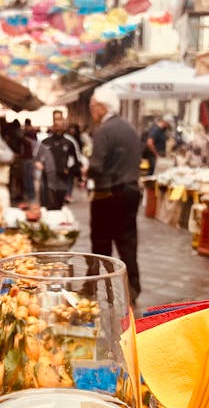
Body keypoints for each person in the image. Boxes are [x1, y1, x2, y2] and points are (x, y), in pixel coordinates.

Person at [87, 83, 143, 303]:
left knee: (101, 241)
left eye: (93, 106)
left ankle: (96, 287)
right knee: (127, 241)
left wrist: (87, 169)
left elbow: (96, 166)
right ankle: (133, 288)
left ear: (102, 107)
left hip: (108, 194)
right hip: (131, 191)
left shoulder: (104, 131)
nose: (92, 111)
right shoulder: (129, 129)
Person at [35, 109, 82, 210]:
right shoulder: (45, 142)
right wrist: (40, 165)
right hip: (46, 182)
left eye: (59, 119)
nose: (57, 122)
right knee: (45, 210)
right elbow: (37, 159)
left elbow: (77, 161)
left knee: (58, 211)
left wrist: (70, 171)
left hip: (61, 182)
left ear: (63, 121)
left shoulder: (69, 142)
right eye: (55, 119)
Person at [21, 119, 39, 202]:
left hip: (30, 158)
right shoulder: (25, 133)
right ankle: (28, 194)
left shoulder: (32, 133)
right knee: (26, 178)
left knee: (30, 177)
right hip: (25, 158)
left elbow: (34, 144)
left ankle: (31, 195)